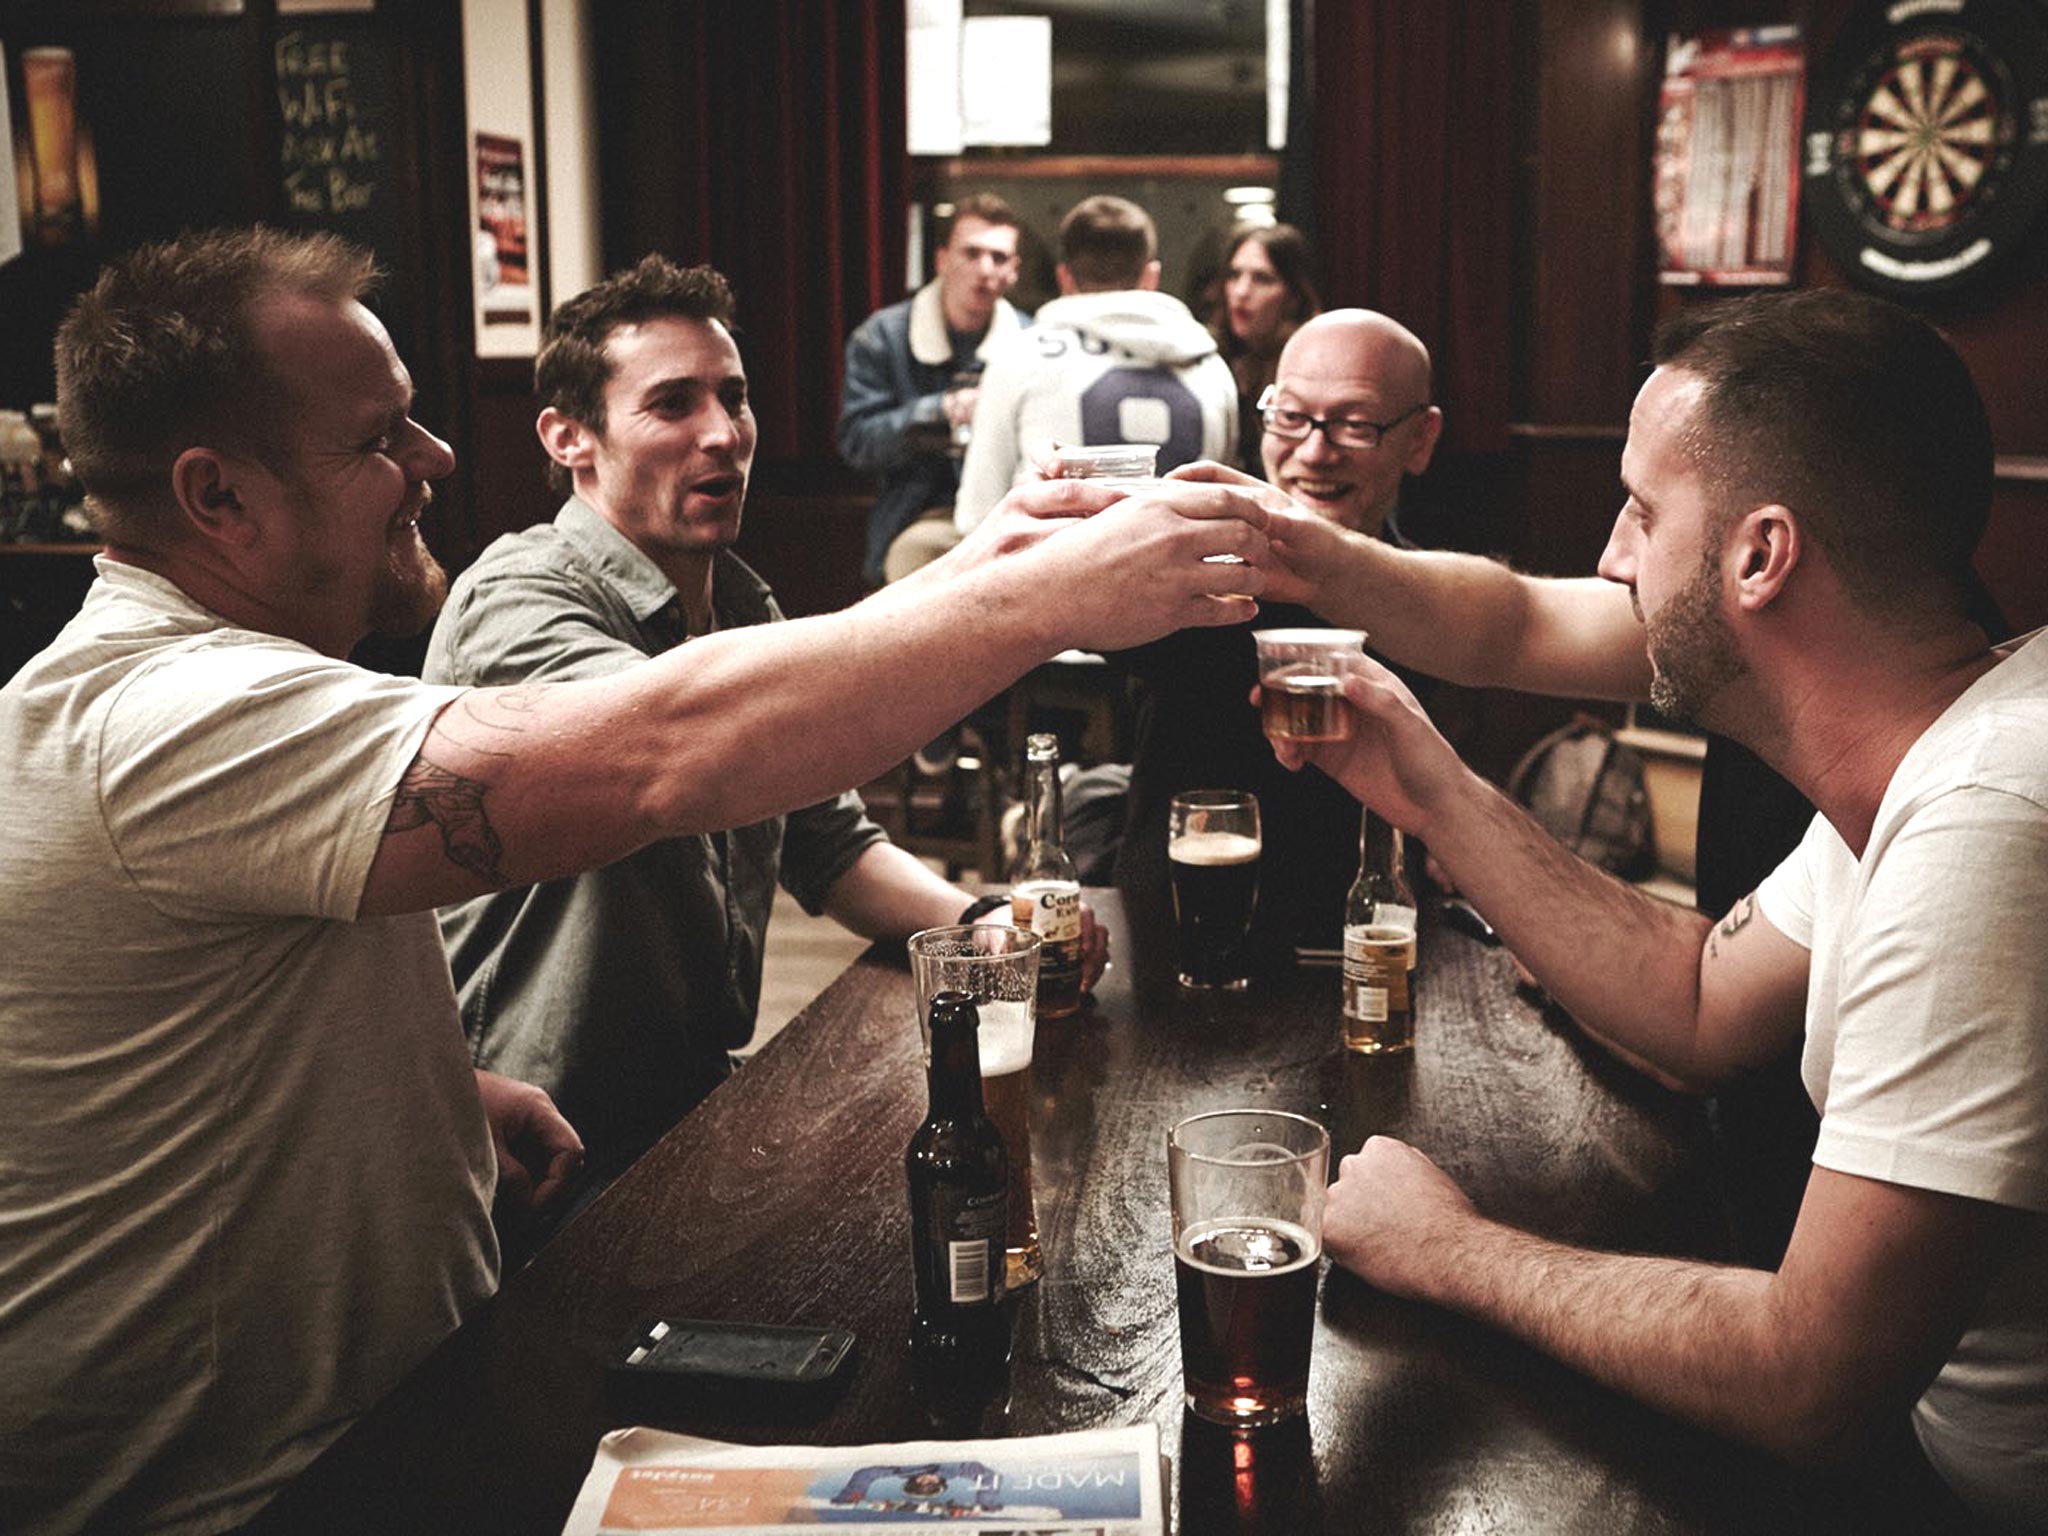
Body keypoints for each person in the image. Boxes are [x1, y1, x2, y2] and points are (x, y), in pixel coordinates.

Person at [0, 228, 1274, 1534]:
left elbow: (229, 999)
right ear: (219, 498)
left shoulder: (208, 692)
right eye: (382, 436)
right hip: (260, 1488)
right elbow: (665, 758)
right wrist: (1038, 594)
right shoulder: (168, 715)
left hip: (423, 1380)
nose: (438, 458)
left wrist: (434, 1088)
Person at [1269, 289, 2046, 1531]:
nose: (1612, 559)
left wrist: (1450, 1248)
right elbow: (1697, 998)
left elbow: (1811, 1381)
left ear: (1759, 554)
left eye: (1638, 511)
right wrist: (1434, 791)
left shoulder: (1990, 819)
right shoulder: (1959, 737)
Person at [427, 256, 1107, 1193]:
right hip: (533, 1136)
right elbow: (681, 756)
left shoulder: (740, 603)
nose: (722, 434)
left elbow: (826, 842)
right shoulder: (520, 598)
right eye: (672, 405)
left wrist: (984, 925)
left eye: (734, 398)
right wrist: (1003, 588)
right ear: (569, 437)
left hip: (689, 1103)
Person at [1116, 309, 1442, 971]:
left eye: (1354, 424)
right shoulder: (1193, 577)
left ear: (1420, 440)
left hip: (1367, 958)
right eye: (1290, 417)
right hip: (1185, 951)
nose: (1315, 451)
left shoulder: (1441, 613)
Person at [953, 195, 1238, 533]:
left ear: (1064, 278)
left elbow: (977, 516)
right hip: (1186, 578)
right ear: (1151, 276)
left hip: (1055, 577)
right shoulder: (1211, 366)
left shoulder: (1019, 357)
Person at [837, 192, 1027, 586]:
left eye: (999, 257)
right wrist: (938, 411)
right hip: (918, 517)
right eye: (971, 253)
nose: (985, 269)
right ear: (941, 260)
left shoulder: (1033, 340)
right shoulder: (883, 337)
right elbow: (858, 444)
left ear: (1014, 271)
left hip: (1008, 515)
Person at [1205, 222, 1320, 475]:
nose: (1241, 291)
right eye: (1234, 276)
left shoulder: (1314, 366)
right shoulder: (1215, 358)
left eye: (1262, 279)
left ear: (1294, 295)